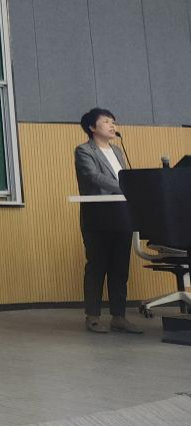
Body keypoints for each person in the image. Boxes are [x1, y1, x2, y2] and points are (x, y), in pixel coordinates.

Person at [74, 108, 142, 335]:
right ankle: (93, 317)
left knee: (120, 267)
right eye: (106, 121)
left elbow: (123, 177)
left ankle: (119, 317)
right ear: (92, 127)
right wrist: (127, 186)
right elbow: (94, 177)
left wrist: (132, 187)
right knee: (97, 265)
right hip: (97, 215)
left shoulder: (118, 151)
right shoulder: (84, 151)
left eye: (113, 122)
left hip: (121, 214)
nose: (112, 125)